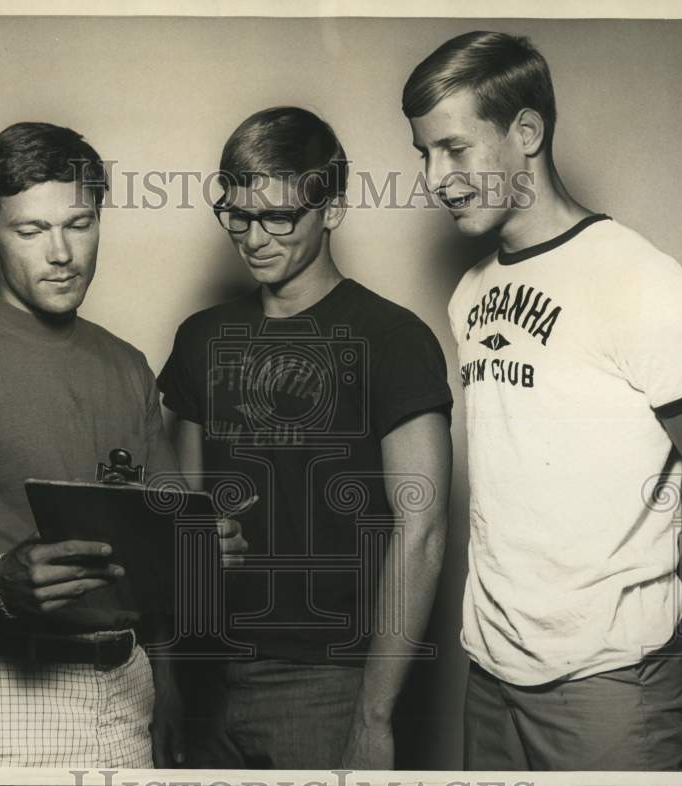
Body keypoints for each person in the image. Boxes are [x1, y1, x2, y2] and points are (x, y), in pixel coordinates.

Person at [402, 32, 682, 770]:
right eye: (423, 155)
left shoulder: (637, 277)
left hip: (611, 686)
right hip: (490, 672)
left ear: (526, 133)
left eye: (454, 149)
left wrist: (659, 618)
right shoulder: (470, 291)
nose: (436, 178)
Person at [0, 121, 245, 768]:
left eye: (79, 224)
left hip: (128, 689)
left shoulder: (127, 366)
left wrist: (193, 561)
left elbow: (155, 542)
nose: (61, 253)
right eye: (30, 230)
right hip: (0, 690)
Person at [157, 106, 453, 769]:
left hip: (325, 685)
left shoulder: (393, 340)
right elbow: (177, 524)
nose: (254, 237)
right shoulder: (201, 338)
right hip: (205, 675)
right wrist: (167, 682)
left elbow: (424, 531)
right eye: (235, 214)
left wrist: (375, 716)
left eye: (279, 217)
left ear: (334, 208)